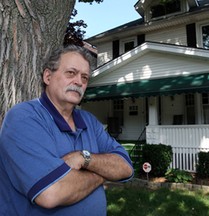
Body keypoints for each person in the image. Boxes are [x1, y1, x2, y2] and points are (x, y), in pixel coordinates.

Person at [0, 45, 134, 215]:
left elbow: (126, 167)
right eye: (71, 73)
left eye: (84, 77)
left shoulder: (89, 121)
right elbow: (51, 193)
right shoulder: (24, 118)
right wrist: (103, 173)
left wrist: (84, 158)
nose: (79, 81)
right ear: (48, 76)